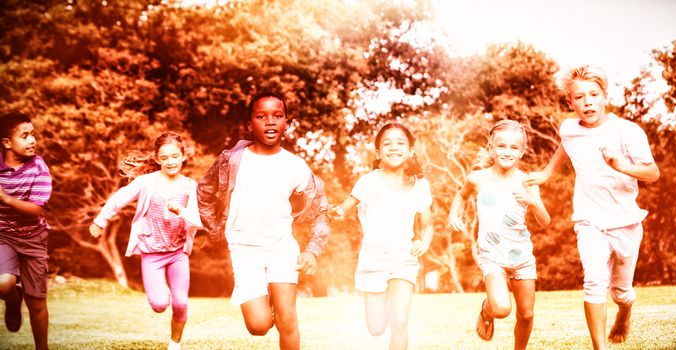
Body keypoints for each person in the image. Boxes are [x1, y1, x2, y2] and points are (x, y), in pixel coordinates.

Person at [524, 65, 660, 350]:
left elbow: (653, 173)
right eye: (579, 97)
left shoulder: (627, 131)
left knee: (621, 292)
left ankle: (624, 312)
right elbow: (565, 143)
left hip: (625, 222)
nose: (587, 101)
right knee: (594, 280)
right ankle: (600, 348)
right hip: (589, 221)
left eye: (593, 94)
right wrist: (548, 173)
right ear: (570, 102)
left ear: (604, 97)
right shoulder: (569, 128)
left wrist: (620, 165)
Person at [196, 92, 329, 350]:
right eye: (261, 116)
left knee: (287, 319)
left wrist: (313, 250)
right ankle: (269, 302)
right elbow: (203, 191)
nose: (270, 122)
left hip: (281, 247)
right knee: (258, 327)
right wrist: (214, 233)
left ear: (286, 123)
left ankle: (280, 304)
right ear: (249, 125)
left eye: (277, 116)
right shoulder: (232, 160)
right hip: (244, 249)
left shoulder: (295, 166)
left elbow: (321, 207)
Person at [89, 132, 202, 350]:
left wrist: (181, 211)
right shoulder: (146, 183)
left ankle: (174, 345)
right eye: (165, 157)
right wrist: (100, 220)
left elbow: (199, 221)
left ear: (183, 157)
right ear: (158, 159)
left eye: (175, 156)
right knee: (160, 304)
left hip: (178, 253)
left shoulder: (190, 186)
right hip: (152, 253)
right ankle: (161, 291)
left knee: (181, 303)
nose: (171, 161)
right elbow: (118, 199)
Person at [329, 123, 433, 350]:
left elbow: (427, 225)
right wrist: (337, 211)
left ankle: (396, 305)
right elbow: (345, 207)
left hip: (404, 261)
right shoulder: (368, 181)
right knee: (376, 328)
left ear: (411, 150)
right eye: (387, 143)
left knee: (400, 321)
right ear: (377, 153)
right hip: (373, 261)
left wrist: (423, 242)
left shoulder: (420, 186)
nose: (393, 148)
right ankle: (385, 304)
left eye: (400, 143)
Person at [448, 119, 550, 349]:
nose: (507, 151)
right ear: (490, 148)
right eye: (501, 146)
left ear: (522, 151)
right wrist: (454, 214)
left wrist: (534, 203)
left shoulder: (528, 182)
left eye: (514, 147)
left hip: (521, 256)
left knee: (526, 315)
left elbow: (545, 222)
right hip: (492, 255)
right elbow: (461, 196)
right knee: (502, 309)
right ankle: (487, 309)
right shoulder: (477, 178)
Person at [0, 113, 52, 350]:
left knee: (37, 302)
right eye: (25, 136)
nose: (32, 140)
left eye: (33, 135)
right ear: (7, 142)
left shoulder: (38, 167)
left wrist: (5, 198)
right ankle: (12, 300)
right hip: (3, 235)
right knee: (3, 284)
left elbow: (35, 211)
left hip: (33, 238)